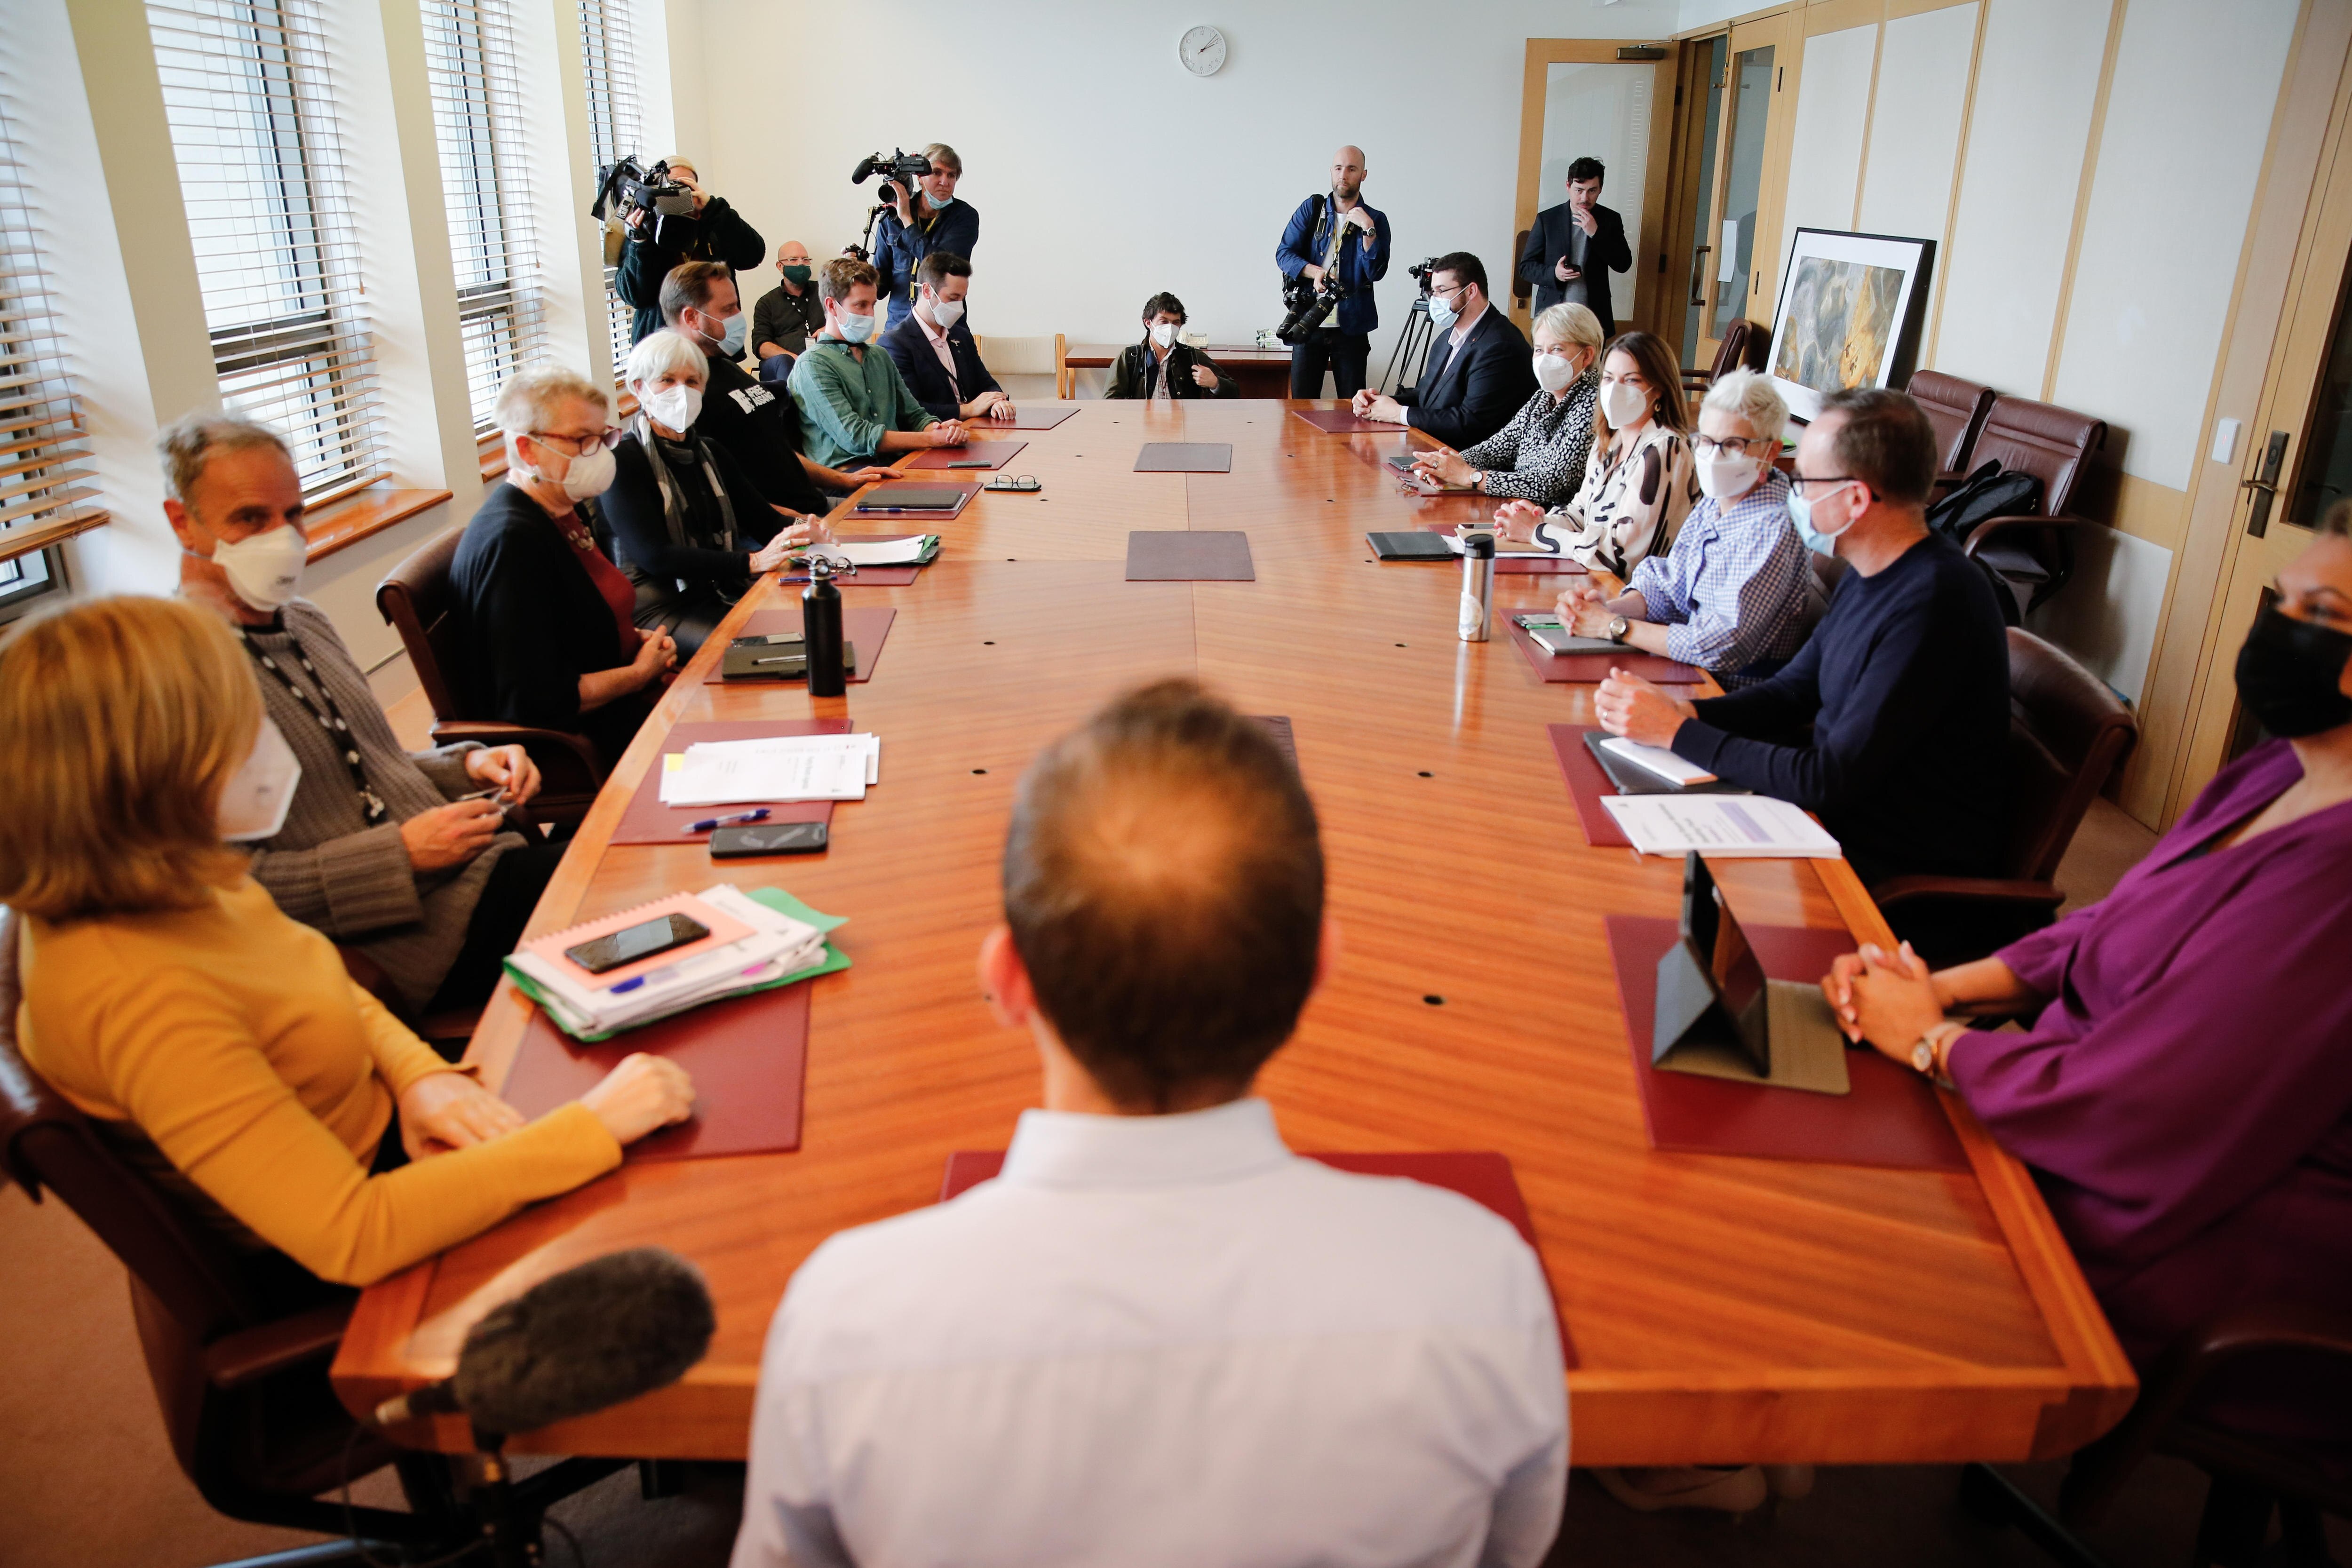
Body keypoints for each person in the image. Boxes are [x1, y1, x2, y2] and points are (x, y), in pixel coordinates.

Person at [730, 680, 1567, 1568]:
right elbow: (1507, 1548)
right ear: (1319, 967)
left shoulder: (846, 1317)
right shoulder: (1479, 1285)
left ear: (1006, 978)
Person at [1825, 512, 2352, 1463]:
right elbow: (2115, 921)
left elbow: (2163, 1105)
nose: (2282, 627)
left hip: (2206, 1221)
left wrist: (1931, 1043)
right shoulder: (2279, 768)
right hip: (2085, 1096)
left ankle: (1739, 1444)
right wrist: (1940, 988)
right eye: (2281, 599)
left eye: (2326, 612)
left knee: (1838, 1193)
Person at [1, 596, 697, 1291]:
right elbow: (355, 1234)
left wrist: (417, 1075)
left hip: (405, 1130)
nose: (261, 746)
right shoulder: (135, 991)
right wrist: (593, 1126)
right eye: (235, 726)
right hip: (381, 1249)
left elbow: (315, 975)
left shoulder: (170, 873)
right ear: (146, 772)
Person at [161, 414, 562, 1021]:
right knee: (638, 889)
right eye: (250, 519)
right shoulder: (176, 674)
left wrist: (470, 763)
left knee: (637, 872)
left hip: (475, 872)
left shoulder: (303, 622)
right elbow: (214, 888)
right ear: (180, 521)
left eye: (293, 515)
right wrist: (399, 856)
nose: (284, 537)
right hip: (411, 942)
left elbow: (371, 763)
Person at [1593, 386, 2010, 899]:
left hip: (1880, 869)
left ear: (1855, 498)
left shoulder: (1934, 603)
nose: (1792, 492)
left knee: (1641, 890)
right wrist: (1686, 716)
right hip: (1824, 818)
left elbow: (1828, 777)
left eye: (1804, 481)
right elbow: (1791, 692)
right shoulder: (1872, 568)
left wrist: (1680, 735)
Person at [452, 367, 679, 772]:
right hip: (582, 739)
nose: (600, 452)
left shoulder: (562, 507)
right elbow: (539, 697)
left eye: (604, 437)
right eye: (582, 440)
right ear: (528, 450)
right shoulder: (512, 542)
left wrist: (631, 639)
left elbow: (576, 617)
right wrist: (638, 672)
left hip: (625, 704)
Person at [1548, 369, 1820, 688]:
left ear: (1771, 452)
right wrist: (1607, 609)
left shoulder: (1775, 528)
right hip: (1681, 668)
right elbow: (1670, 585)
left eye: (1733, 444)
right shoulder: (1717, 502)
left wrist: (1615, 626)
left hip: (1725, 695)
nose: (1714, 456)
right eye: (1706, 441)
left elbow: (1720, 645)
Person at [606, 330, 828, 658]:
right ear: (640, 388)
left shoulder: (710, 452)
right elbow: (657, 556)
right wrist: (751, 561)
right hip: (661, 610)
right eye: (667, 380)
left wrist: (805, 530)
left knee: (819, 625)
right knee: (786, 650)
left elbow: (765, 521)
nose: (682, 391)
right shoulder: (622, 462)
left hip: (716, 590)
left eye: (692, 382)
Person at [660, 262, 892, 517]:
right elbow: (723, 496)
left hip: (817, 505)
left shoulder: (729, 370)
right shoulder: (685, 397)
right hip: (782, 526)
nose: (739, 315)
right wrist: (797, 523)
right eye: (729, 309)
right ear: (692, 318)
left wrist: (846, 481)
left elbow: (779, 453)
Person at [1489, 330, 1696, 577]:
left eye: (1631, 380)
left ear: (1660, 389)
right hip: (1590, 577)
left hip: (1629, 592)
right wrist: (1536, 520)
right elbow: (1581, 514)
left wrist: (1537, 533)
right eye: (1608, 379)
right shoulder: (1610, 440)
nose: (1615, 389)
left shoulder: (1664, 450)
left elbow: (1617, 555)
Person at [1411, 302, 1603, 507]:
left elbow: (1548, 484)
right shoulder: (1543, 397)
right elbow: (1494, 449)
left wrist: (1471, 477)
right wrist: (1444, 465)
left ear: (1587, 356)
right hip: (1517, 508)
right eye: (1539, 350)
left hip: (1554, 523)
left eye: (1556, 349)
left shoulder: (1594, 405)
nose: (1544, 359)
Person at [787, 256, 971, 471]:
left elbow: (915, 415)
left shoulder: (879, 356)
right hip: (849, 475)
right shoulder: (812, 365)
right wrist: (932, 439)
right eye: (860, 305)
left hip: (897, 465)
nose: (870, 314)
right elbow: (856, 438)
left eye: (873, 305)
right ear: (832, 306)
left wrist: (939, 429)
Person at [1352, 252, 1534, 449]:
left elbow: (1471, 423)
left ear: (1471, 291)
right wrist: (1379, 403)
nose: (1435, 300)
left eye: (1442, 291)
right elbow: (1425, 396)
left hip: (1474, 460)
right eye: (1433, 292)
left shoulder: (1500, 345)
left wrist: (1398, 413)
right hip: (1435, 448)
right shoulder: (1445, 338)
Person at [1274, 145, 1391, 399]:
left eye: (1352, 169)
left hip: (1352, 327)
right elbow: (1284, 254)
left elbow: (1376, 272)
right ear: (1331, 171)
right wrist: (1314, 271)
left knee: (1353, 407)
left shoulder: (1376, 219)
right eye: (1338, 168)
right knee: (1301, 408)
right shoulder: (1313, 209)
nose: (1343, 175)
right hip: (1309, 322)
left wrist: (1368, 230)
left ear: (1363, 174)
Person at [613, 155, 764, 347]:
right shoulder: (643, 229)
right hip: (662, 348)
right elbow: (634, 295)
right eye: (670, 186)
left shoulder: (713, 222)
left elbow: (752, 256)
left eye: (684, 186)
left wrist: (713, 210)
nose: (676, 193)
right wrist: (641, 242)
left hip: (715, 344)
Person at [881, 251, 1014, 422]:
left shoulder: (961, 335)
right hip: (935, 435)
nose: (959, 307)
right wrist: (967, 410)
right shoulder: (895, 343)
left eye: (962, 299)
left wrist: (997, 402)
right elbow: (911, 408)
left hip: (975, 429)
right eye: (953, 298)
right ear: (928, 291)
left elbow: (985, 382)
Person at [1517, 157, 1632, 338]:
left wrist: (1596, 234)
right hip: (1553, 316)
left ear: (1600, 189)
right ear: (1568, 186)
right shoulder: (1548, 220)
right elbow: (1526, 268)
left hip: (1593, 318)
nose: (1585, 198)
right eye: (1579, 190)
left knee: (1590, 367)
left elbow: (1623, 264)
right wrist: (1554, 274)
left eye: (1592, 191)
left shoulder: (1610, 220)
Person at [871, 142, 977, 332]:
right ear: (920, 177)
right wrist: (859, 272)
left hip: (945, 329)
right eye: (937, 173)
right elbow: (880, 289)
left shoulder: (964, 216)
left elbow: (942, 268)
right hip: (899, 328)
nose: (945, 182)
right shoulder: (891, 217)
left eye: (951, 175)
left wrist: (907, 220)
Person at [1104, 292, 1237, 400]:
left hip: (1182, 426)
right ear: (1148, 323)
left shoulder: (1192, 356)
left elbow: (1235, 391)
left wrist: (1215, 383)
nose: (1170, 328)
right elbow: (1111, 400)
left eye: (1176, 323)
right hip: (1142, 427)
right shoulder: (1131, 357)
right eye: (1164, 322)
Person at [752, 240, 825, 378]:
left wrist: (829, 329)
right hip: (786, 365)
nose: (800, 264)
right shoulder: (767, 303)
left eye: (805, 260)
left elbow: (845, 320)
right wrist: (795, 359)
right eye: (793, 260)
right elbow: (761, 345)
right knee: (785, 362)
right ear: (780, 266)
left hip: (822, 358)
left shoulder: (824, 291)